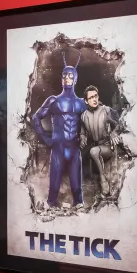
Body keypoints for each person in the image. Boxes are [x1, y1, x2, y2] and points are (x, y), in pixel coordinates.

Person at [32, 47, 87, 207]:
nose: (67, 78)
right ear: (61, 79)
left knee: (77, 189)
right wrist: (45, 138)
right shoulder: (53, 101)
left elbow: (92, 120)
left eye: (70, 76)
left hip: (74, 148)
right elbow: (36, 118)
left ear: (75, 79)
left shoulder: (81, 103)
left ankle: (81, 220)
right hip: (58, 148)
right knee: (53, 189)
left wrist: (86, 137)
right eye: (64, 75)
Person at [80, 85, 124, 197]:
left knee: (93, 151)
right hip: (95, 148)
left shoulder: (106, 110)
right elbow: (83, 132)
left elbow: (120, 123)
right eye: (90, 98)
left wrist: (114, 133)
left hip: (108, 147)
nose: (94, 99)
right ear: (86, 101)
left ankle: (103, 180)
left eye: (95, 96)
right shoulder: (84, 116)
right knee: (89, 153)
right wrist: (82, 138)